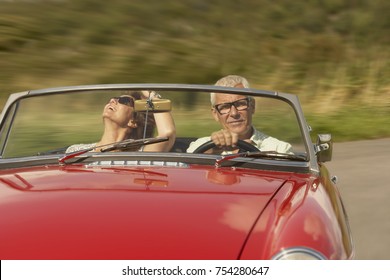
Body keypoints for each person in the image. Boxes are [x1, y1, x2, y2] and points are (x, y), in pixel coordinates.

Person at [186, 75, 292, 154]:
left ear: (252, 106)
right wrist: (215, 148)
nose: (234, 113)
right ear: (215, 114)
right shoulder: (201, 145)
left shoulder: (280, 149)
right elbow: (187, 169)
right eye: (225, 107)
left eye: (240, 104)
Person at [66, 90, 176, 153]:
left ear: (132, 121)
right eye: (113, 98)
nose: (112, 100)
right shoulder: (75, 151)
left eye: (124, 101)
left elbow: (167, 134)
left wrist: (152, 95)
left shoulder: (141, 153)